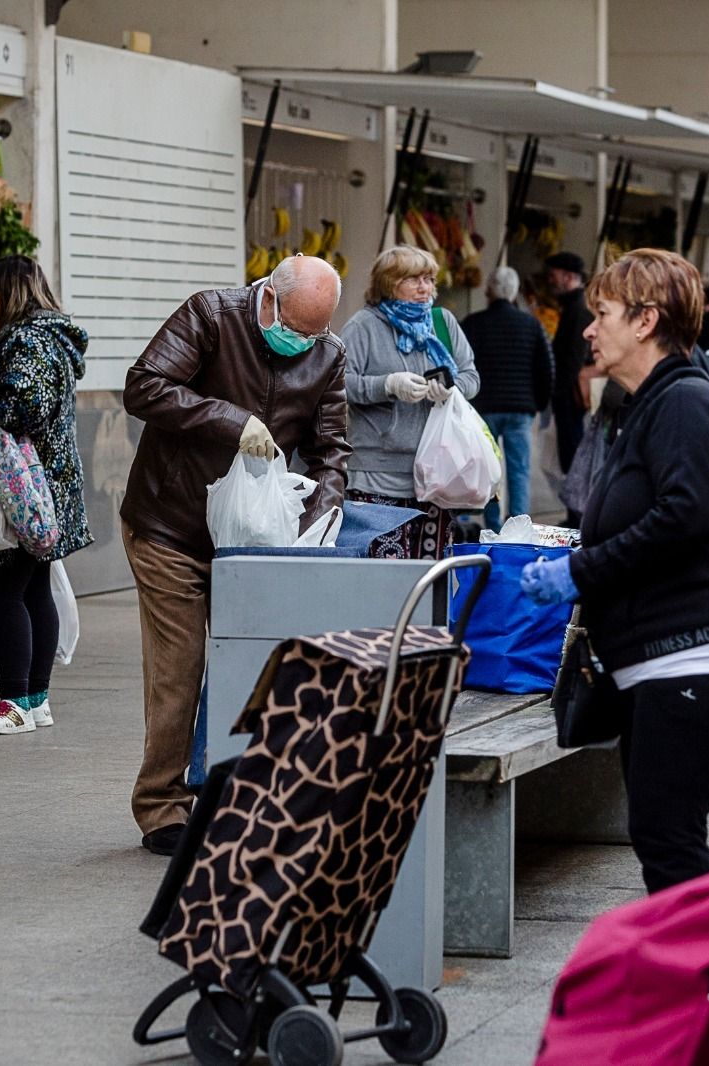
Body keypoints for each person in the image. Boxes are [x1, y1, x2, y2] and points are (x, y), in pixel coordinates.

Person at [520, 248, 709, 894]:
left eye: (600, 313)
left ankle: (703, 983)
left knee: (669, 840)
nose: (587, 327)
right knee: (662, 835)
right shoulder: (647, 404)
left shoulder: (684, 401)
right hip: (668, 663)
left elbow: (681, 518)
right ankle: (696, 980)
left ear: (645, 321)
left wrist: (582, 570)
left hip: (696, 662)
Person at [121, 254, 349, 855]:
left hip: (255, 542)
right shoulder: (210, 315)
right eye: (293, 329)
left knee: (254, 665)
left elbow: (331, 451)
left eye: (313, 334)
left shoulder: (328, 355)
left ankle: (240, 796)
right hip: (170, 526)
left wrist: (321, 513)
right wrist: (229, 420)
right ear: (268, 298)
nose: (300, 343)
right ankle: (163, 806)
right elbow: (143, 386)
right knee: (181, 667)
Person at [0, 256, 91, 736]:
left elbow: (26, 407)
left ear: (10, 291)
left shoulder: (28, 341)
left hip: (23, 490)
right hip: (43, 486)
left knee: (0, 588)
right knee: (31, 589)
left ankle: (14, 702)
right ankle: (34, 698)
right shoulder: (46, 338)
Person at [341, 245, 480, 557]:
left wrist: (451, 387)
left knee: (430, 571)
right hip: (377, 473)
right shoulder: (364, 325)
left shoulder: (442, 323)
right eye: (414, 279)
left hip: (438, 472)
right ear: (389, 283)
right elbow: (338, 383)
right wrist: (387, 385)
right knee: (383, 572)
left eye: (429, 279)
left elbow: (472, 377)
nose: (425, 288)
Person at [460, 266, 553, 531]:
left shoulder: (473, 323)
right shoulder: (532, 325)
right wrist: (538, 403)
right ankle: (518, 529)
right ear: (514, 294)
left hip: (484, 409)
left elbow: (461, 364)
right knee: (519, 471)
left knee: (490, 471)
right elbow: (546, 369)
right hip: (520, 410)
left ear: (488, 291)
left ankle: (491, 525)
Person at [546, 251, 595, 523]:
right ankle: (575, 514)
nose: (550, 282)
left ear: (569, 277)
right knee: (571, 455)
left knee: (573, 456)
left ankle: (577, 515)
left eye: (554, 277)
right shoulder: (574, 308)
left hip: (569, 398)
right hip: (567, 397)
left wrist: (558, 393)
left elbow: (573, 359)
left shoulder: (577, 311)